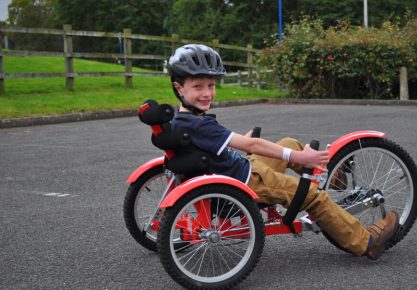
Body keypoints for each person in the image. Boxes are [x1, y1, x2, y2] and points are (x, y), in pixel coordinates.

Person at [168, 44, 399, 260]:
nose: (207, 93)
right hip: (249, 181)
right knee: (313, 195)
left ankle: (332, 176)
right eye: (198, 87)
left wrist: (238, 144)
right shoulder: (200, 125)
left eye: (211, 85)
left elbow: (216, 146)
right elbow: (253, 147)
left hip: (239, 169)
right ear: (179, 88)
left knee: (288, 142)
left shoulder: (184, 120)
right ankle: (366, 241)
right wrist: (298, 158)